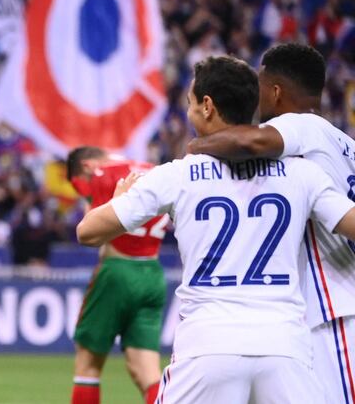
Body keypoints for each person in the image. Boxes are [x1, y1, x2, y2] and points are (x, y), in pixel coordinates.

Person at [77, 55, 355, 403]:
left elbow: (87, 232)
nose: (189, 111)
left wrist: (117, 199)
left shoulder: (175, 175)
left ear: (207, 106)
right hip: (285, 348)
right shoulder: (303, 174)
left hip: (209, 345)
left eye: (190, 103)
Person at [186, 43, 355, 403]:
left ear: (275, 91)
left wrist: (196, 148)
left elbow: (254, 141)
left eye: (260, 84)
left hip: (337, 309)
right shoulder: (344, 142)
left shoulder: (302, 126)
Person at [65, 147, 168, 404]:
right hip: (153, 274)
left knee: (88, 364)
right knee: (147, 372)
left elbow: (91, 229)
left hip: (117, 269)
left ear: (87, 165)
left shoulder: (102, 173)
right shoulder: (155, 171)